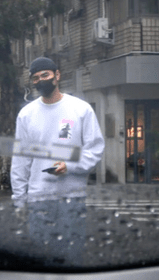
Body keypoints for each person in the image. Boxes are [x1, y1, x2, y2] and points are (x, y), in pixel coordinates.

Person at [10, 56, 105, 204]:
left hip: (73, 197)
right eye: (35, 78)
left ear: (57, 75)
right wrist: (19, 200)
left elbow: (95, 149)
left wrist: (70, 166)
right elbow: (20, 161)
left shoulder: (81, 109)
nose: (41, 80)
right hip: (38, 197)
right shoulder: (26, 114)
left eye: (45, 75)